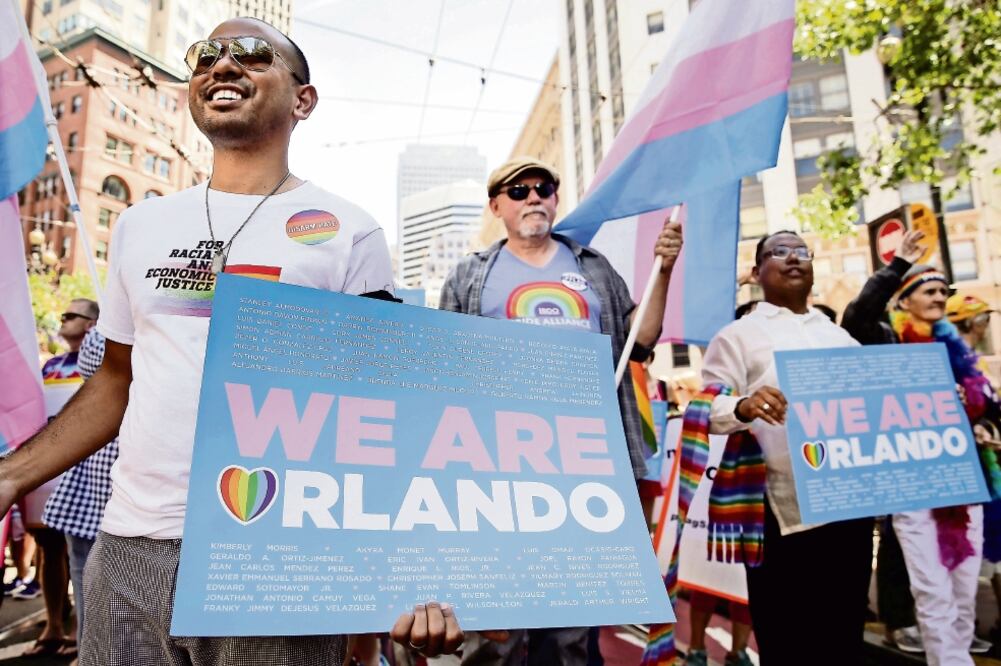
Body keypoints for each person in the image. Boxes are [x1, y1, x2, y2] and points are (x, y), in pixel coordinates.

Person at [0, 17, 462, 666]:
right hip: (128, 551)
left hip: (275, 559)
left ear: (302, 100)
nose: (221, 65)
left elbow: (381, 413)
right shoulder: (140, 225)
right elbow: (113, 382)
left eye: (250, 54)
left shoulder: (349, 234)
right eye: (205, 55)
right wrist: (11, 475)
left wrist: (408, 571)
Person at [438, 156, 683, 666]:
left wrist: (665, 269)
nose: (534, 197)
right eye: (519, 190)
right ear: (497, 206)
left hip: (584, 465)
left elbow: (641, 341)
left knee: (571, 629)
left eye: (544, 188)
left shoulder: (590, 268)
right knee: (495, 624)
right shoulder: (470, 275)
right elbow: (444, 369)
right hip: (496, 466)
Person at [698, 230, 872, 665]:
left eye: (802, 252)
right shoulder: (737, 336)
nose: (793, 258)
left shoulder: (838, 336)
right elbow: (706, 407)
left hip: (849, 505)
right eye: (779, 252)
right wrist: (743, 405)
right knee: (789, 637)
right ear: (757, 272)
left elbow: (875, 399)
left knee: (844, 634)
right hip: (782, 514)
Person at [842, 232, 996, 664]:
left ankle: (958, 654)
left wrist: (981, 424)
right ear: (904, 299)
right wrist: (897, 267)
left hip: (965, 482)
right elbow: (855, 318)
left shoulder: (958, 350)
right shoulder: (887, 340)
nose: (939, 298)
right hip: (913, 485)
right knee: (932, 590)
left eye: (944, 292)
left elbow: (985, 410)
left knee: (964, 589)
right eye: (929, 291)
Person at [20, 298, 98, 658]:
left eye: (71, 315)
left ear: (90, 324)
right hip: (54, 471)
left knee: (85, 564)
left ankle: (85, 642)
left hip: (86, 471)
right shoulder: (52, 365)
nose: (62, 320)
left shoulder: (103, 362)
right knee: (52, 549)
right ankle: (55, 625)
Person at [40, 327, 119, 665]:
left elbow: (100, 377)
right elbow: (94, 375)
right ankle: (89, 652)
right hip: (94, 481)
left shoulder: (109, 331)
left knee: (100, 583)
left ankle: (93, 652)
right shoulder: (103, 331)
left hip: (114, 480)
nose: (65, 319)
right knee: (87, 577)